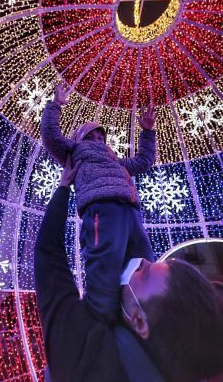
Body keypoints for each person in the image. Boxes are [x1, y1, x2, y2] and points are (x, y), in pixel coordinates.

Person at [34, 158, 223, 382]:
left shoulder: (80, 350)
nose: (142, 262)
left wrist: (63, 186)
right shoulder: (182, 362)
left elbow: (48, 253)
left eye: (145, 274)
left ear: (140, 321)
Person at [41, 86, 156, 321]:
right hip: (101, 211)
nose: (98, 140)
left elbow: (144, 161)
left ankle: (148, 317)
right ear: (79, 140)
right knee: (105, 267)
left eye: (100, 136)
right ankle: (102, 325)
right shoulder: (75, 151)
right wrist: (56, 105)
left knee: (145, 266)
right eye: (90, 136)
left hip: (130, 211)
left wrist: (147, 131)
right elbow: (51, 136)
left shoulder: (115, 160)